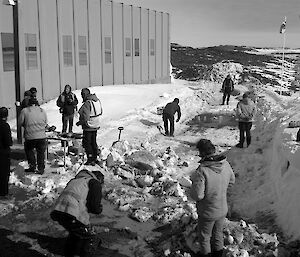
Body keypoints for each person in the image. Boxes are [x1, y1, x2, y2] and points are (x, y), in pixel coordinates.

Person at [190, 139, 235, 257]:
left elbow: (198, 195)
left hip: (207, 212)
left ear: (202, 152)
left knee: (204, 238)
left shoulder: (202, 171)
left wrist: (193, 186)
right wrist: (220, 191)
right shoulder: (225, 164)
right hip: (222, 208)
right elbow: (231, 181)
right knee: (218, 235)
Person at [50, 169, 104, 257]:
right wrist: (99, 209)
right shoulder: (94, 183)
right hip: (71, 213)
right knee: (90, 237)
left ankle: (69, 253)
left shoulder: (76, 180)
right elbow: (94, 207)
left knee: (76, 233)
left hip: (58, 210)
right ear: (99, 179)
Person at [19, 97, 49, 174]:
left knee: (29, 151)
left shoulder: (25, 111)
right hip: (41, 136)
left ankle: (32, 166)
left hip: (30, 136)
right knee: (40, 153)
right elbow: (45, 122)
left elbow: (20, 122)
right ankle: (41, 168)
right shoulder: (42, 110)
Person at [76, 88, 103, 166]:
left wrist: (80, 123)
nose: (82, 96)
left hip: (88, 126)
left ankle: (90, 158)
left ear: (84, 94)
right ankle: (95, 157)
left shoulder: (87, 103)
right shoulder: (96, 101)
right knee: (93, 141)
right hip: (96, 124)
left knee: (87, 143)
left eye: (82, 94)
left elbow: (86, 117)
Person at [0, 107, 13, 199]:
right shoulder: (5, 126)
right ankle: (3, 193)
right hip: (3, 153)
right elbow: (8, 142)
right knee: (4, 174)